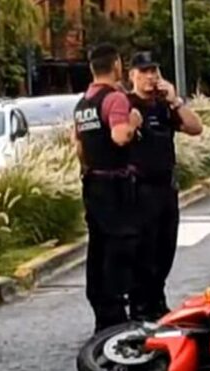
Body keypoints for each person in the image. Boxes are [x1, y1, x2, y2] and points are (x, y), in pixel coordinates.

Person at [125, 51, 203, 321]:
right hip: (139, 189)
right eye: (144, 71)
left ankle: (157, 302)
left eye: (154, 71)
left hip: (166, 188)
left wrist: (176, 101)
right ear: (132, 75)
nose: (150, 77)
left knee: (165, 249)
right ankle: (140, 306)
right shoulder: (126, 103)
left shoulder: (163, 106)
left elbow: (195, 128)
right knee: (143, 252)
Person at [72, 43, 144, 333]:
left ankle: (102, 309)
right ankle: (117, 311)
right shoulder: (115, 99)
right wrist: (134, 122)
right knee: (120, 245)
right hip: (115, 184)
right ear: (116, 65)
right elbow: (120, 136)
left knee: (98, 247)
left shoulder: (83, 104)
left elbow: (78, 147)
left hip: (92, 182)